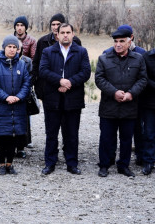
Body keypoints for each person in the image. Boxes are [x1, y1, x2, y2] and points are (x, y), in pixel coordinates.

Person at [39, 23, 91, 175]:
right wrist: (59, 81)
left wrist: (70, 82)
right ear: (58, 35)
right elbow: (43, 70)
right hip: (52, 99)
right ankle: (50, 163)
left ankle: (72, 163)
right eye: (62, 32)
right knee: (51, 134)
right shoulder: (48, 51)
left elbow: (86, 72)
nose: (65, 35)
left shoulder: (81, 51)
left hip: (73, 99)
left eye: (68, 32)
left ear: (73, 34)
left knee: (72, 134)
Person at [95, 28, 147, 178]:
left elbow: (142, 79)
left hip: (129, 107)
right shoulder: (104, 58)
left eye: (122, 41)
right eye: (116, 41)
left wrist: (131, 93)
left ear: (130, 41)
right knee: (106, 137)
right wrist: (114, 92)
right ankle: (104, 165)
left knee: (126, 138)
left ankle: (123, 166)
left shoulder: (138, 58)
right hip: (108, 106)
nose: (118, 44)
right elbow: (99, 78)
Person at [0, 35, 30, 175]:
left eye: (14, 47)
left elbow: (26, 83)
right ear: (4, 48)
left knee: (13, 135)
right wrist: (6, 97)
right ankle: (1, 164)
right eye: (9, 47)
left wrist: (18, 97)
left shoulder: (22, 64)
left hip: (17, 106)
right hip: (1, 106)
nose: (12, 50)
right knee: (2, 136)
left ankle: (10, 164)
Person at [32, 13, 82, 100]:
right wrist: (35, 84)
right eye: (53, 24)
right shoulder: (42, 41)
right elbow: (36, 64)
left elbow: (78, 66)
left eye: (58, 24)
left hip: (69, 87)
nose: (55, 27)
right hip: (47, 87)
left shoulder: (75, 41)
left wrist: (68, 84)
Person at [141, 48, 155, 175]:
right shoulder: (147, 57)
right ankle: (148, 161)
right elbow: (144, 77)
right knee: (149, 133)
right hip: (151, 102)